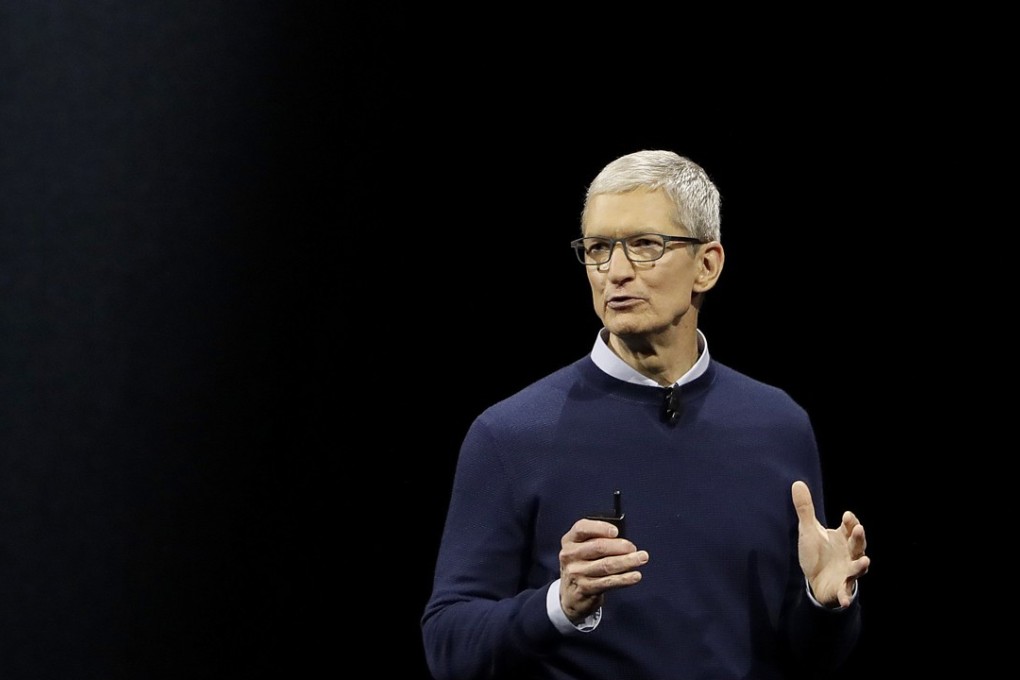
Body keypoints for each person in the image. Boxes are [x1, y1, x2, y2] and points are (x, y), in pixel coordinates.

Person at [420, 149, 870, 680]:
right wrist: (559, 607)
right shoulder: (511, 434)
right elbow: (448, 644)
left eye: (644, 246)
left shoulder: (779, 425)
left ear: (707, 265)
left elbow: (808, 656)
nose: (615, 271)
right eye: (597, 249)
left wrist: (824, 605)